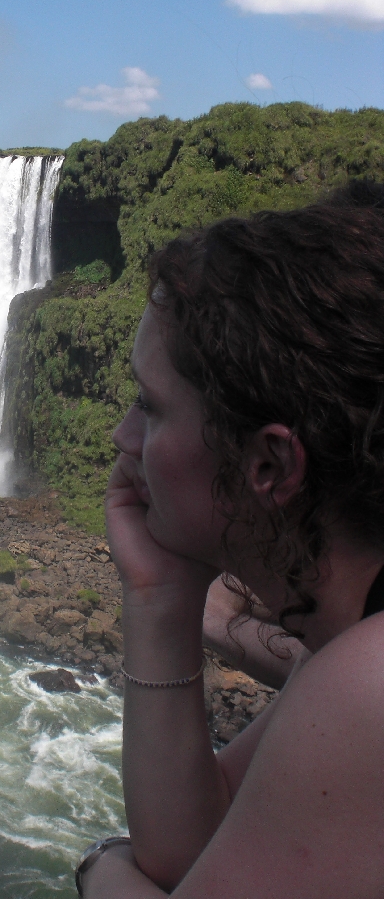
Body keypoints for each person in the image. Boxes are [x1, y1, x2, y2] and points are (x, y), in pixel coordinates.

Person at [78, 185, 384, 898]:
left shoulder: (368, 683)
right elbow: (189, 849)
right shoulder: (350, 638)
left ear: (269, 465)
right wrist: (159, 594)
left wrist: (100, 869)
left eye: (149, 407)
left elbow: (164, 871)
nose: (122, 437)